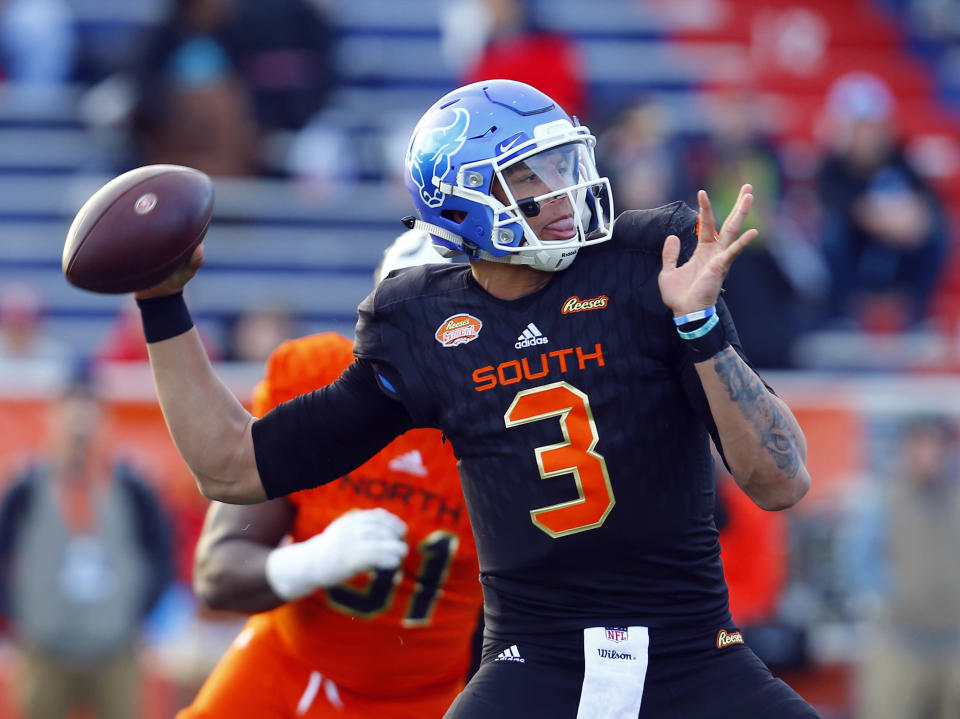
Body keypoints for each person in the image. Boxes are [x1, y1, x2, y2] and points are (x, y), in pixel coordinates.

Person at [131, 79, 816, 717]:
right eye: (531, 176)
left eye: (563, 164)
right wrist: (162, 305)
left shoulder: (647, 266)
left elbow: (781, 481)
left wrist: (701, 329)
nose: (564, 191)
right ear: (462, 201)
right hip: (534, 661)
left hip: (694, 651)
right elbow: (232, 466)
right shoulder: (424, 325)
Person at [176, 234, 482, 718]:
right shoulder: (316, 379)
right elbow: (218, 571)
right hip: (291, 666)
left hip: (422, 698)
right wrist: (312, 561)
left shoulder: (504, 427)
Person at [0, 365, 175, 719]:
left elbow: (161, 552)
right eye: (70, 408)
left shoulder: (131, 485)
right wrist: (20, 615)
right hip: (45, 647)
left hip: (115, 649)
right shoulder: (27, 485)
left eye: (88, 408)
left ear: (104, 418)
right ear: (52, 416)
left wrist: (135, 614)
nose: (79, 421)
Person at [844, 414, 960, 719]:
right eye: (919, 446)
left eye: (935, 446)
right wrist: (888, 598)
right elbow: (860, 562)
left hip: (954, 645)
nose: (928, 456)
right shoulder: (882, 500)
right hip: (900, 642)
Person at [816, 71, 949, 329]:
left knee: (938, 233)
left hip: (899, 245)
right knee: (831, 234)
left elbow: (929, 200)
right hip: (854, 248)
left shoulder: (900, 158)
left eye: (872, 127)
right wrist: (874, 218)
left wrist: (916, 217)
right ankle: (840, 315)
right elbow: (834, 203)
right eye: (859, 128)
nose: (866, 137)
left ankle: (918, 316)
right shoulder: (832, 166)